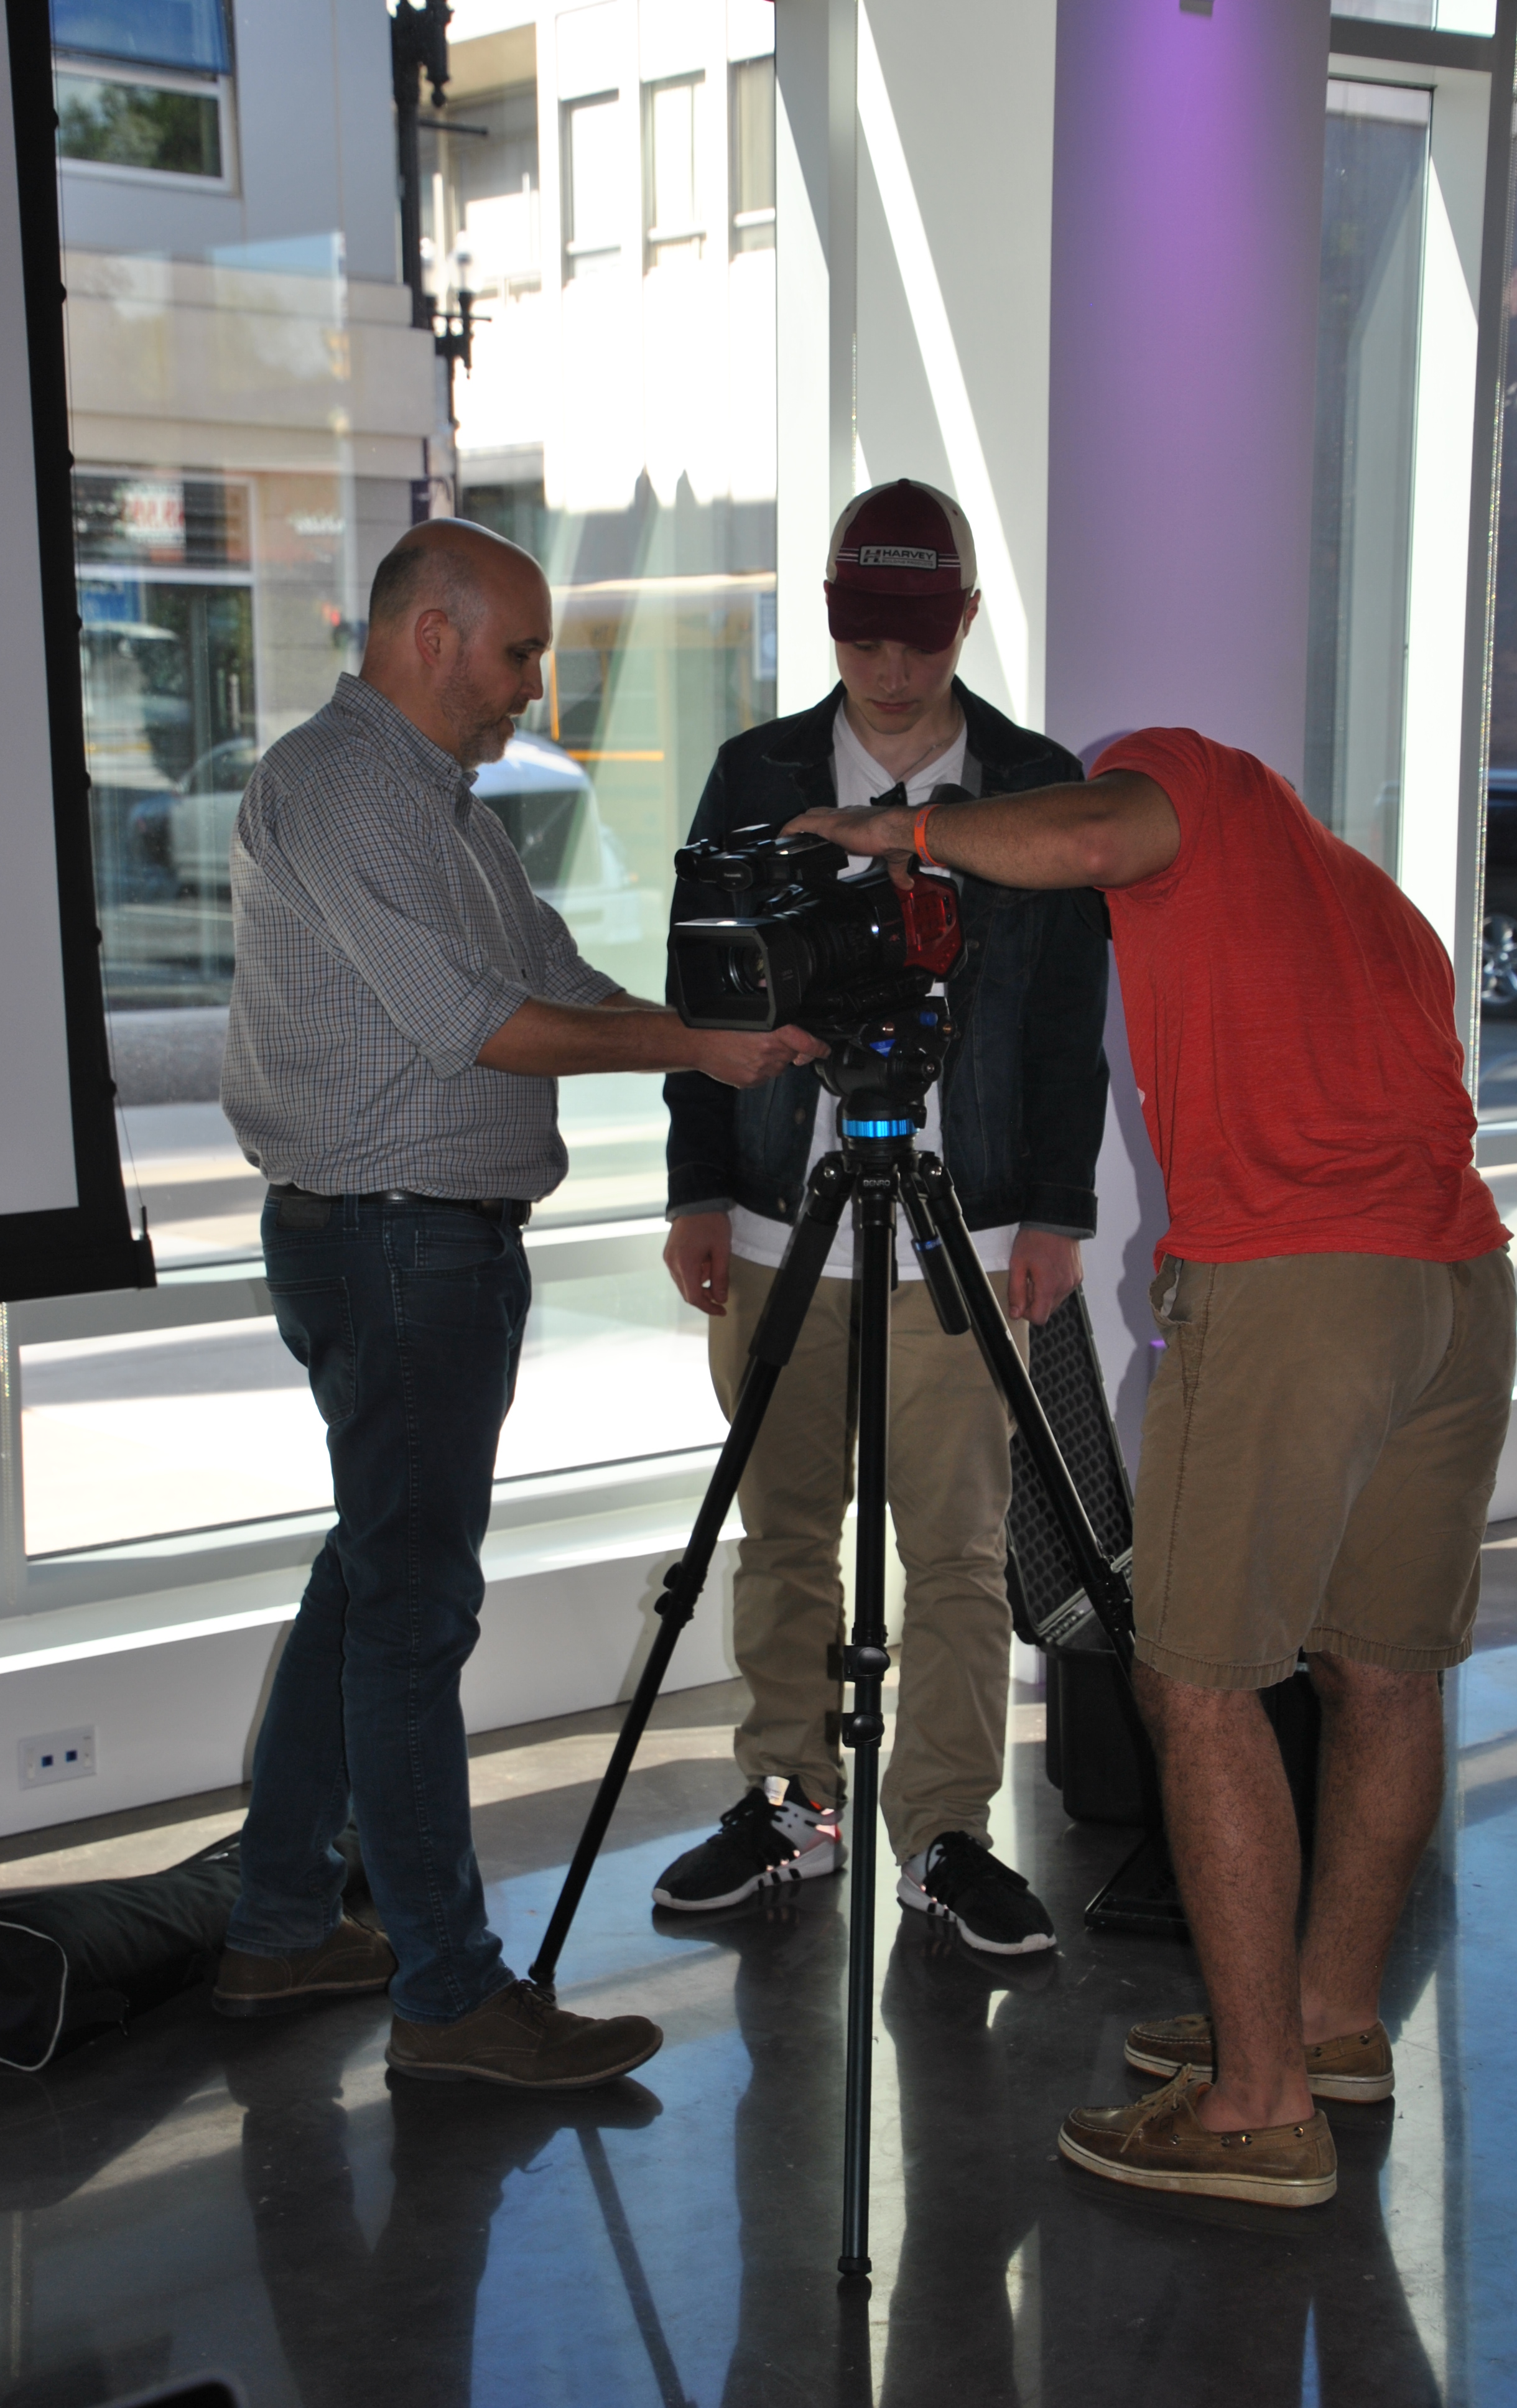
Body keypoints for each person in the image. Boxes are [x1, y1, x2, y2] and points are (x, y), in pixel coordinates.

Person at [788, 726, 1514, 2204]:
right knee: (1383, 1673)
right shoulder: (1373, 902)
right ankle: (1323, 2025)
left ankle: (1254, 2108)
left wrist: (895, 832)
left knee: (1196, 1682)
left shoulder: (1195, 781)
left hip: (1299, 1284)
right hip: (1453, 1279)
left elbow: (1093, 835)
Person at [213, 518, 822, 2088]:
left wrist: (727, 1025)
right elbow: (478, 1023)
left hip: (427, 1248)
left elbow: (560, 977)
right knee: (413, 1618)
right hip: (392, 1250)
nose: (533, 687)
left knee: (369, 1581)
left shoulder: (448, 810)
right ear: (431, 634)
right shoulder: (340, 787)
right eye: (518, 652)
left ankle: (281, 1925)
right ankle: (449, 1996)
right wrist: (691, 1050)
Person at [654, 479, 1110, 1954]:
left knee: (959, 1548)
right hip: (776, 1218)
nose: (893, 668)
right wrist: (696, 1186)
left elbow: (1065, 1023)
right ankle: (790, 1801)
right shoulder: (756, 772)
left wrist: (1056, 1212)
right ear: (830, 620)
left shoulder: (1032, 785)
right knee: (783, 1529)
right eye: (864, 636)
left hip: (964, 1231)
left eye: (920, 635)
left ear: (965, 620)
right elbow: (699, 993)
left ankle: (945, 1830)